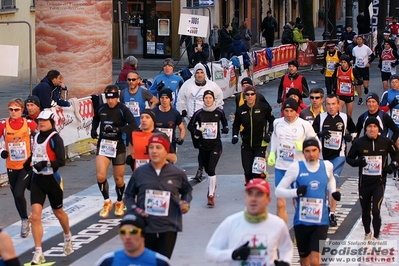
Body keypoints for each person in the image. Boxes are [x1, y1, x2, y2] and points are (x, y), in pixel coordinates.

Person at [124, 132, 193, 259]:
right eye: (151, 147)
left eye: (158, 147)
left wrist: (185, 202)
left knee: (163, 261)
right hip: (145, 224)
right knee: (148, 261)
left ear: (166, 150)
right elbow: (128, 195)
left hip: (169, 224)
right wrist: (134, 209)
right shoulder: (140, 172)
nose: (154, 151)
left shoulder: (177, 173)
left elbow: (187, 190)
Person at [276, 138, 340, 266]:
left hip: (321, 221)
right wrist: (296, 192)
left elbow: (331, 179)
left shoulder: (327, 166)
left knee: (316, 260)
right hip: (302, 222)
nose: (311, 154)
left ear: (319, 151)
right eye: (307, 151)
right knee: (304, 261)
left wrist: (333, 191)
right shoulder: (296, 168)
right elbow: (278, 191)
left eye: (314, 150)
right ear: (303, 152)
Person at [205, 178, 293, 265]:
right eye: (250, 194)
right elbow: (210, 252)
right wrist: (233, 254)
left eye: (259, 194)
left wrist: (285, 262)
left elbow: (287, 249)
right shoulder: (231, 222)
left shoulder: (278, 224)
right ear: (245, 197)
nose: (253, 199)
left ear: (268, 200)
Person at [29, 110, 73, 264]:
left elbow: (61, 161)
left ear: (52, 122)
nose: (41, 123)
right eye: (39, 120)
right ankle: (38, 252)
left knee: (58, 212)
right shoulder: (34, 136)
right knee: (35, 216)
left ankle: (67, 237)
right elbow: (33, 155)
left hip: (52, 180)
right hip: (37, 180)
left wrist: (45, 164)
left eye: (45, 121)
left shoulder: (55, 138)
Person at [346, 117, 399, 240]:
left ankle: (376, 236)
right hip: (364, 183)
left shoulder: (385, 142)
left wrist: (393, 165)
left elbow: (396, 154)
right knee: (365, 211)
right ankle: (367, 233)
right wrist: (358, 162)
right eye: (369, 127)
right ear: (366, 129)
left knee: (376, 210)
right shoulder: (359, 143)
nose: (372, 129)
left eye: (374, 127)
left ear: (378, 129)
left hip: (379, 182)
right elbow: (349, 159)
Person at [91, 85, 138, 218]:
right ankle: (107, 201)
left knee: (118, 179)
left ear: (117, 97)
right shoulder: (101, 108)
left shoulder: (123, 109)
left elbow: (133, 125)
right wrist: (94, 129)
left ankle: (119, 201)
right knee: (100, 175)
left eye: (113, 99)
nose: (110, 101)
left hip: (118, 146)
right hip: (104, 145)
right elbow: (96, 118)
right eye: (108, 99)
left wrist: (119, 130)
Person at [268, 98, 318, 223]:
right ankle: (282, 232)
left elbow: (317, 144)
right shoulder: (277, 123)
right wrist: (272, 153)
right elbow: (275, 138)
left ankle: (299, 228)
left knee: (298, 202)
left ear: (296, 111)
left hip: (298, 168)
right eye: (286, 111)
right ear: (283, 110)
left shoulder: (304, 125)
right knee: (280, 203)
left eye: (292, 111)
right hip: (281, 168)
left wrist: (304, 146)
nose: (289, 114)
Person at [312, 94, 357, 227]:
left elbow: (354, 131)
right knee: (325, 183)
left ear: (338, 105)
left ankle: (332, 213)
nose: (331, 107)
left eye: (333, 104)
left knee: (333, 182)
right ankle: (325, 207)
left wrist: (350, 137)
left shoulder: (344, 118)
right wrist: (319, 134)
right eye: (328, 104)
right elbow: (311, 134)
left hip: (339, 155)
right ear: (325, 105)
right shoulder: (320, 118)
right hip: (323, 156)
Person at [177, 63, 224, 181]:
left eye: (201, 72)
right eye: (197, 73)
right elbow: (181, 99)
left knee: (206, 145)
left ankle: (201, 168)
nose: (199, 75)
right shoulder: (187, 85)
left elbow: (219, 98)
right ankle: (203, 165)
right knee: (199, 146)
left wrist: (216, 112)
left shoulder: (212, 86)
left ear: (205, 73)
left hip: (209, 121)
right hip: (193, 120)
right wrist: (182, 111)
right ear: (194, 74)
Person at [0, 98, 37, 238]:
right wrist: (1, 151)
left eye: (16, 109)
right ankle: (25, 217)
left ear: (22, 110)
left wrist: (33, 156)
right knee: (17, 195)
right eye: (11, 109)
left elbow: (40, 138)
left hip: (25, 165)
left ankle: (25, 221)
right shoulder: (3, 125)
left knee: (18, 193)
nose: (13, 112)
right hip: (11, 166)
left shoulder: (29, 124)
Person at [188, 90, 228, 205]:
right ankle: (212, 182)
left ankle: (211, 195)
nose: (208, 100)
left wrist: (225, 129)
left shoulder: (219, 112)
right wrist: (196, 132)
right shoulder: (199, 113)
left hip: (215, 145)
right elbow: (190, 126)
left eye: (210, 98)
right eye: (206, 98)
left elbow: (225, 123)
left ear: (213, 99)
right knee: (206, 169)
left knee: (211, 169)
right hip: (203, 145)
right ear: (203, 100)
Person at [94, 210, 170, 266]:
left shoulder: (159, 262)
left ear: (142, 235)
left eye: (133, 231)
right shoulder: (108, 261)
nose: (127, 237)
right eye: (123, 232)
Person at [232, 86, 275, 185]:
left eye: (252, 94)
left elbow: (272, 121)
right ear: (244, 96)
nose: (250, 96)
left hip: (260, 145)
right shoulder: (240, 110)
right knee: (248, 172)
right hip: (246, 145)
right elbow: (236, 125)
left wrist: (269, 134)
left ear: (256, 95)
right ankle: (255, 182)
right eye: (247, 94)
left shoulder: (263, 107)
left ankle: (258, 186)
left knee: (256, 172)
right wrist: (235, 135)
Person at [152, 88, 185, 155]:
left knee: (169, 165)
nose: (164, 100)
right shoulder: (153, 112)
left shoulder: (175, 113)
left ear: (170, 99)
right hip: (156, 144)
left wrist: (181, 138)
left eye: (166, 98)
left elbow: (182, 128)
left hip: (170, 145)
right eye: (162, 98)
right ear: (159, 99)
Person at [352, 35, 375, 105]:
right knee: (358, 84)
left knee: (365, 84)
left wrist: (369, 63)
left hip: (365, 68)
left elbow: (373, 56)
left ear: (363, 41)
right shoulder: (354, 49)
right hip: (357, 68)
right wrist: (352, 62)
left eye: (360, 39)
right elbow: (353, 57)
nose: (359, 40)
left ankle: (366, 88)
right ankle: (360, 99)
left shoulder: (366, 48)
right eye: (358, 39)